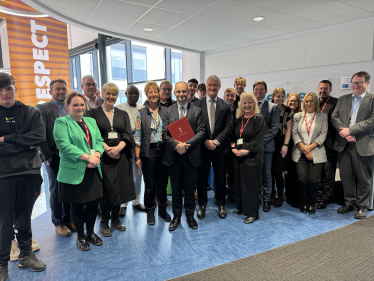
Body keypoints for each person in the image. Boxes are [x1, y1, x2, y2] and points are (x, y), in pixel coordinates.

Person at [0, 72, 47, 279]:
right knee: (4, 221)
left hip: (30, 173)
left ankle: (26, 255)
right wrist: (23, 144)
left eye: (8, 88)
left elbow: (38, 137)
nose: (4, 93)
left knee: (24, 217)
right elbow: (30, 141)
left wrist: (5, 140)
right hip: (3, 175)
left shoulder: (31, 112)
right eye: (0, 89)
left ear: (15, 89)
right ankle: (2, 264)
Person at [53, 92, 104, 251]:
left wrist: (96, 155)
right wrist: (88, 158)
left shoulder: (91, 121)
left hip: (94, 169)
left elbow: (99, 141)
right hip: (74, 172)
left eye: (82, 104)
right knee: (77, 206)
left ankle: (90, 233)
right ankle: (80, 237)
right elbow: (65, 146)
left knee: (93, 205)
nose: (79, 108)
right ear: (67, 106)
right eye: (75, 105)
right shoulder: (61, 122)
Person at [87, 83, 135, 237]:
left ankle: (115, 219)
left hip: (121, 156)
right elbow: (92, 135)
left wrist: (118, 148)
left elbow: (128, 134)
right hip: (103, 156)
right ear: (103, 94)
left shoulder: (122, 114)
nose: (111, 97)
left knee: (120, 187)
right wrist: (107, 149)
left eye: (114, 95)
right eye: (108, 94)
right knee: (107, 189)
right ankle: (104, 222)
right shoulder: (93, 113)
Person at [162, 81, 205, 231]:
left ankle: (190, 216)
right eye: (178, 92)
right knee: (175, 189)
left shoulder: (197, 110)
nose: (181, 94)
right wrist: (177, 145)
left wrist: (185, 145)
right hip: (174, 156)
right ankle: (176, 216)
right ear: (175, 93)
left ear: (188, 92)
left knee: (189, 188)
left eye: (183, 92)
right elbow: (164, 134)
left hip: (191, 155)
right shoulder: (167, 111)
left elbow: (201, 132)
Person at [332, 71, 374, 219]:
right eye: (354, 82)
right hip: (344, 144)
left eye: (360, 82)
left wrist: (350, 130)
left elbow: (372, 121)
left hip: (363, 144)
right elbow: (334, 117)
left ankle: (362, 206)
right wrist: (346, 134)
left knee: (363, 177)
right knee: (346, 176)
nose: (356, 85)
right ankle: (349, 203)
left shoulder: (372, 99)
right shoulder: (343, 99)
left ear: (367, 83)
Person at [36, 79, 75, 237]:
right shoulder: (43, 108)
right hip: (54, 156)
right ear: (51, 91)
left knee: (69, 189)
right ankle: (58, 222)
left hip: (71, 156)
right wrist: (48, 157)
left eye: (63, 89)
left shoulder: (70, 107)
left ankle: (68, 218)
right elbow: (40, 135)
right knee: (56, 191)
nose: (61, 92)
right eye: (57, 89)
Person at [194, 75, 233, 219]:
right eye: (210, 85)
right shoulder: (197, 105)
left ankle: (221, 203)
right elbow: (196, 126)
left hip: (221, 148)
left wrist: (216, 141)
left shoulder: (226, 105)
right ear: (206, 87)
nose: (212, 87)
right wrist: (205, 141)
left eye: (215, 85)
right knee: (202, 177)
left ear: (219, 87)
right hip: (202, 148)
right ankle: (202, 204)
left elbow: (229, 126)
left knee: (220, 177)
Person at [134, 81, 171, 225]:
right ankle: (150, 211)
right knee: (150, 185)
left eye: (156, 91)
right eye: (151, 92)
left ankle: (162, 210)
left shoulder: (165, 111)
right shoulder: (141, 113)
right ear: (147, 94)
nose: (154, 94)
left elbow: (170, 132)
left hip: (164, 151)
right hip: (148, 152)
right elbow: (137, 135)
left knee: (162, 183)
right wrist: (137, 157)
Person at [231, 92, 265, 223]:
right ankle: (240, 208)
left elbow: (258, 140)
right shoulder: (239, 119)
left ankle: (252, 213)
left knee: (250, 186)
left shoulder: (258, 118)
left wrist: (245, 150)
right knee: (239, 184)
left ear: (254, 104)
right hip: (238, 156)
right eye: (244, 103)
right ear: (241, 105)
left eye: (249, 102)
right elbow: (234, 138)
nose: (247, 105)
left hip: (252, 157)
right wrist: (233, 148)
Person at [291, 92, 327, 214]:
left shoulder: (323, 116)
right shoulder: (298, 116)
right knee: (303, 180)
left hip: (317, 151)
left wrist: (310, 148)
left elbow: (323, 134)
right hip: (300, 152)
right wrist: (304, 148)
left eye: (311, 101)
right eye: (306, 101)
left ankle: (312, 203)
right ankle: (303, 203)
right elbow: (294, 133)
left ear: (316, 102)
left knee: (314, 180)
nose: (309, 103)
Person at [116, 85, 146, 216]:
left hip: (139, 147)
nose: (134, 96)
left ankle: (136, 202)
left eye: (136, 94)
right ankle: (123, 204)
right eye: (131, 93)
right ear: (126, 93)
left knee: (138, 175)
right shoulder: (119, 108)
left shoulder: (143, 109)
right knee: (124, 175)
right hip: (125, 146)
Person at [253, 80, 279, 212]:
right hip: (251, 148)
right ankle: (256, 196)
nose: (259, 91)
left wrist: (260, 143)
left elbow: (274, 128)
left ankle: (267, 199)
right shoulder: (249, 106)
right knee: (254, 173)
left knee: (266, 174)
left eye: (261, 89)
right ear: (253, 91)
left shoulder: (273, 107)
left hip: (267, 147)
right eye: (256, 89)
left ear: (266, 91)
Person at [270, 88, 294, 207]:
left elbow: (289, 129)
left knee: (278, 171)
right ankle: (271, 195)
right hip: (269, 141)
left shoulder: (288, 110)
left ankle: (280, 196)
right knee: (270, 171)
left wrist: (285, 145)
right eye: (277, 96)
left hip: (282, 141)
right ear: (273, 97)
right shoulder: (268, 108)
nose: (280, 98)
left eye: (282, 96)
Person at [317, 80, 338, 209]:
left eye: (325, 88)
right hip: (315, 144)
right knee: (318, 172)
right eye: (321, 88)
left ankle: (326, 198)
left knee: (328, 172)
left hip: (329, 144)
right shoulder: (314, 102)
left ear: (330, 90)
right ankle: (318, 195)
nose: (322, 91)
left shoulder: (336, 102)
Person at [285, 93, 302, 202]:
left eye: (295, 101)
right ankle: (289, 193)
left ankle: (297, 194)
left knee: (297, 171)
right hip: (287, 145)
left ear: (298, 103)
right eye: (291, 101)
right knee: (288, 171)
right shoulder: (284, 113)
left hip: (298, 146)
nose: (293, 103)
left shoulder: (302, 114)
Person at [224, 88, 238, 201]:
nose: (230, 98)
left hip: (235, 145)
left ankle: (232, 193)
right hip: (223, 144)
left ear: (235, 97)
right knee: (221, 170)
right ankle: (220, 193)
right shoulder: (220, 110)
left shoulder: (239, 111)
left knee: (233, 170)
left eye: (232, 95)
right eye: (227, 95)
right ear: (224, 97)